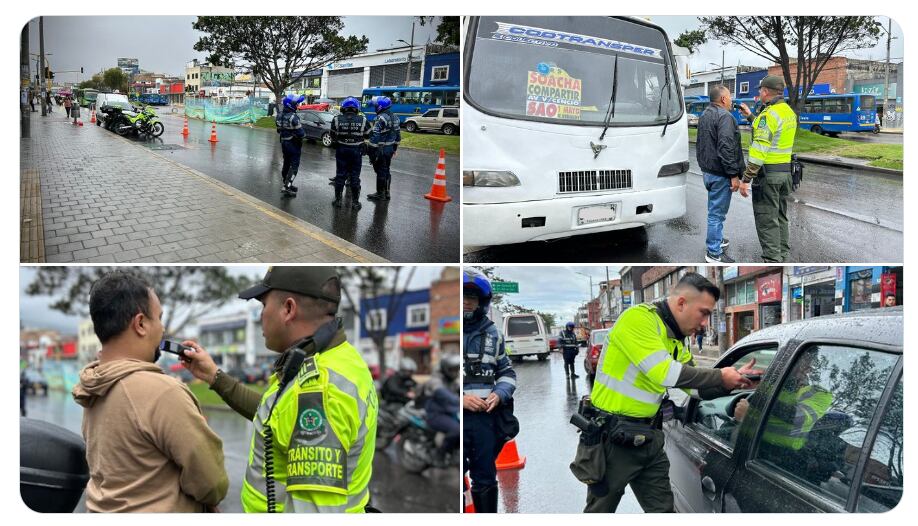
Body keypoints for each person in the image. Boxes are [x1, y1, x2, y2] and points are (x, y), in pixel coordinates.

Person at [180, 266, 378, 513]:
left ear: (288, 309)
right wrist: (214, 376)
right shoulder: (340, 357)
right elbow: (278, 418)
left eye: (263, 305)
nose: (261, 315)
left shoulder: (318, 394)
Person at [583, 273, 752, 513]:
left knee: (663, 511)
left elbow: (692, 387)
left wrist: (729, 383)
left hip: (648, 438)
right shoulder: (638, 319)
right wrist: (719, 376)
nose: (705, 323)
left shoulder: (677, 341)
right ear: (681, 303)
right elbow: (664, 373)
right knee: (600, 512)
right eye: (703, 312)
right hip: (613, 440)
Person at [71, 271, 228, 512]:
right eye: (160, 318)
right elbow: (212, 483)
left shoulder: (92, 386)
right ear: (141, 324)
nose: (163, 328)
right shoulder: (163, 392)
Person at [463, 268, 517, 513]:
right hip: (450, 418)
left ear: (481, 303)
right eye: (462, 296)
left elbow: (507, 372)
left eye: (472, 298)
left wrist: (500, 393)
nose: (466, 302)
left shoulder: (494, 333)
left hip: (485, 419)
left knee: (484, 478)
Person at [738, 75, 798, 263]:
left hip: (769, 176)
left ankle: (772, 259)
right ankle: (782, 254)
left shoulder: (768, 115)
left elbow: (760, 150)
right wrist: (750, 116)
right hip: (785, 174)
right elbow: (770, 131)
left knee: (766, 220)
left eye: (760, 90)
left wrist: (746, 179)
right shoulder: (787, 112)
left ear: (765, 92)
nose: (758, 93)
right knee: (780, 216)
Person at [697, 84, 746, 263]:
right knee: (717, 214)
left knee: (714, 210)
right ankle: (713, 252)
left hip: (708, 172)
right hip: (720, 173)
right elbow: (726, 147)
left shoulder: (705, 114)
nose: (732, 100)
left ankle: (717, 240)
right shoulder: (725, 117)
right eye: (730, 97)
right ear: (723, 99)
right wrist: (734, 174)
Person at [331, 96, 372, 210]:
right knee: (355, 177)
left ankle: (338, 201)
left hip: (342, 150)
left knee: (340, 176)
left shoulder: (336, 119)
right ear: (356, 108)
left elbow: (333, 135)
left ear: (343, 108)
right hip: (356, 151)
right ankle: (355, 203)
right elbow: (369, 134)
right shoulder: (363, 120)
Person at [418, 354, 461, 459]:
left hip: (449, 412)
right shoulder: (435, 379)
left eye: (457, 369)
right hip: (435, 414)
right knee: (457, 430)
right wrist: (458, 400)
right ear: (445, 369)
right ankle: (440, 455)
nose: (455, 372)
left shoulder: (452, 380)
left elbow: (460, 389)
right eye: (452, 369)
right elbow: (440, 392)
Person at [366, 96, 401, 201]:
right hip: (389, 149)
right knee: (386, 170)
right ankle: (386, 192)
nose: (375, 108)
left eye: (376, 106)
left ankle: (380, 194)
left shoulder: (380, 118)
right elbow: (398, 135)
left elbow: (375, 136)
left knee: (380, 171)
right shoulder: (396, 117)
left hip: (380, 149)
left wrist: (370, 150)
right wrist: (394, 148)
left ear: (380, 107)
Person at [276, 94, 306, 197]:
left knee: (286, 164)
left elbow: (278, 129)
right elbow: (301, 134)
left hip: (284, 142)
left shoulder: (279, 115)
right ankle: (287, 187)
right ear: (290, 105)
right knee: (294, 167)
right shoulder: (294, 117)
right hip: (293, 145)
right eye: (296, 103)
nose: (297, 105)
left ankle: (287, 183)